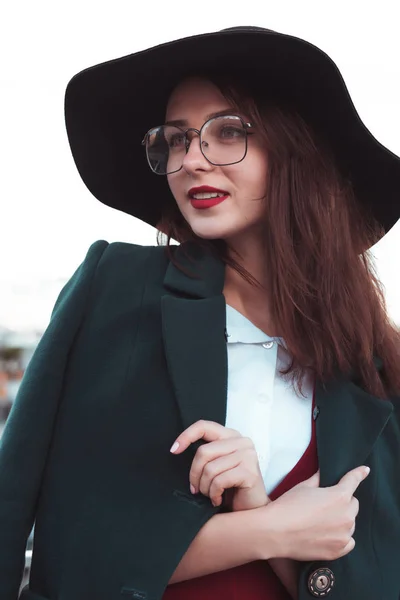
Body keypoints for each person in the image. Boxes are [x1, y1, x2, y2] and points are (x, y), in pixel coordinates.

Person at [0, 25, 399, 600]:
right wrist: (268, 528)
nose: (192, 160)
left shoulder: (373, 363)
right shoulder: (112, 288)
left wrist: (259, 501)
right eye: (177, 140)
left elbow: (367, 581)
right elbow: (58, 542)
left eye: (228, 131)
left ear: (294, 151)